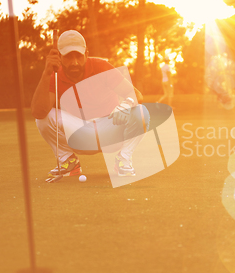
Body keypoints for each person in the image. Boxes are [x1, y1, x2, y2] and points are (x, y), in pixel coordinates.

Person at [31, 30, 149, 182]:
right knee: (43, 118)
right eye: (68, 57)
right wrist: (46, 73)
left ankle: (123, 160)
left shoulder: (101, 66)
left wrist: (126, 105)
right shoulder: (55, 75)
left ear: (86, 54)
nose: (74, 62)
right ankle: (68, 161)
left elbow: (136, 95)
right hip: (80, 134)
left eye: (78, 56)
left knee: (141, 111)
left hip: (111, 129)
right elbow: (38, 112)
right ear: (59, 57)